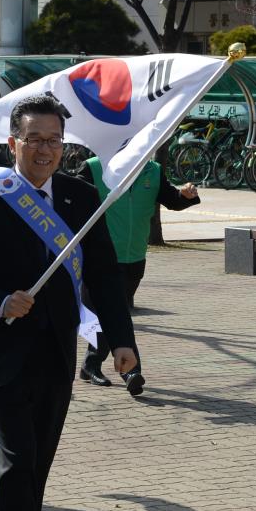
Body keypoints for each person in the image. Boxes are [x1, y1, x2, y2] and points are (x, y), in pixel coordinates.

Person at [0, 94, 139, 511]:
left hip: (57, 350)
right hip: (2, 353)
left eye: (54, 140)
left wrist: (121, 341)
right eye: (34, 139)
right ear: (12, 142)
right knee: (18, 458)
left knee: (37, 463)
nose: (45, 149)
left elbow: (104, 274)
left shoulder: (82, 196)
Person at [77, 155, 200, 395]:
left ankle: (91, 363)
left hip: (134, 257)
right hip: (100, 257)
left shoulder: (153, 170)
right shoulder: (94, 168)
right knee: (117, 314)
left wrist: (185, 196)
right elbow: (70, 201)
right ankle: (131, 371)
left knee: (110, 315)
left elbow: (172, 200)